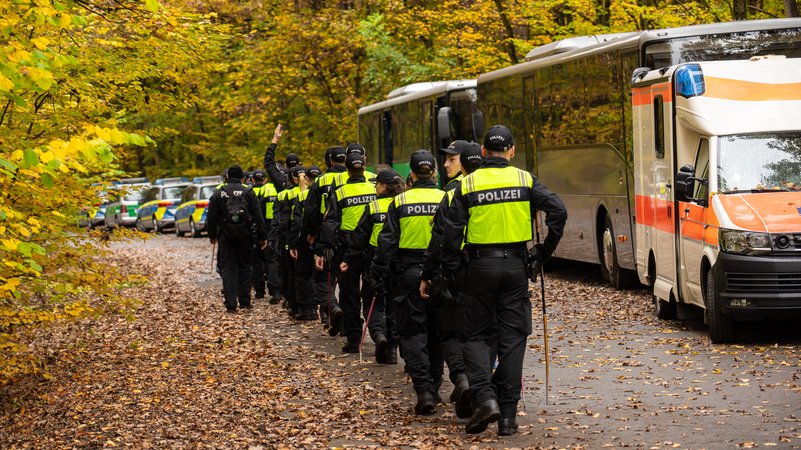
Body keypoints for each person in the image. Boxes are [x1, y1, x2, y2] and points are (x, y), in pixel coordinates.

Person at [441, 125, 567, 435]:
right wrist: (543, 251)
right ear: (511, 152)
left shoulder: (466, 185)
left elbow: (450, 234)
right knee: (512, 339)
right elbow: (558, 211)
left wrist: (453, 271)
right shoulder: (524, 179)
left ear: (483, 152)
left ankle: (485, 398)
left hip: (479, 268)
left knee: (472, 335)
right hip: (515, 267)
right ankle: (508, 417)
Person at [371, 150, 446, 416]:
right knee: (437, 334)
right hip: (440, 274)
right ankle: (435, 387)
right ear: (435, 173)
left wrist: (377, 273)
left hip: (408, 274)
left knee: (413, 335)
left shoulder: (400, 202)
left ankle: (424, 390)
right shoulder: (446, 198)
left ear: (411, 174)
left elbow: (387, 242)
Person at [419, 141, 483, 419]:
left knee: (449, 330)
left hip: (457, 272)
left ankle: (462, 378)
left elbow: (440, 238)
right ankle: (481, 386)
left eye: (451, 159)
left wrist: (429, 274)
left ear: (465, 162)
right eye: (444, 160)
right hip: (486, 269)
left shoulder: (452, 193)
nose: (445, 165)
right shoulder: (495, 187)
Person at [342, 168, 405, 364]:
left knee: (372, 300)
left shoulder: (373, 207)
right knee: (394, 304)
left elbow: (359, 237)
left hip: (375, 261)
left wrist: (348, 259)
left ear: (384, 186)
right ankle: (393, 350)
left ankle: (378, 335)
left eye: (377, 184)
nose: (375, 187)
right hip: (398, 261)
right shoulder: (402, 204)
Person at [316, 153, 377, 352]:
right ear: (365, 166)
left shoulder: (341, 192)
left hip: (347, 247)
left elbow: (331, 222)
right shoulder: (375, 188)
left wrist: (323, 248)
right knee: (373, 290)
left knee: (349, 293)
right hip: (372, 246)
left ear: (347, 170)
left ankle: (353, 338)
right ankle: (381, 335)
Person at [207, 165, 268, 312]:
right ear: (242, 178)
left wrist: (212, 236)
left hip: (225, 236)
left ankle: (231, 303)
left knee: (228, 268)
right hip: (246, 235)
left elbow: (211, 217)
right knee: (245, 267)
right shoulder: (248, 192)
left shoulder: (218, 193)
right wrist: (262, 236)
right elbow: (258, 216)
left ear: (227, 177)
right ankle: (245, 301)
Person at [302, 147, 348, 326]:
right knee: (346, 280)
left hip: (326, 233)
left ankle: (330, 308)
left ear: (329, 161)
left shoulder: (320, 181)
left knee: (323, 277)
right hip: (351, 234)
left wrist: (311, 234)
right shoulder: (355, 178)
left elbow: (311, 211)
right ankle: (344, 320)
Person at [289, 166, 320, 320]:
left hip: (306, 239)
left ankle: (307, 309)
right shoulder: (328, 193)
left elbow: (296, 222)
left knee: (303, 274)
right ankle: (323, 308)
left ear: (307, 179)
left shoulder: (302, 197)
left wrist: (293, 244)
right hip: (325, 239)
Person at [251, 170, 280, 302]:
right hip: (277, 227)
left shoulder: (261, 190)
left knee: (257, 260)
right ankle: (275, 290)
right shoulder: (282, 188)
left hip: (262, 227)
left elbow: (258, 212)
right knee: (272, 260)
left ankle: (259, 290)